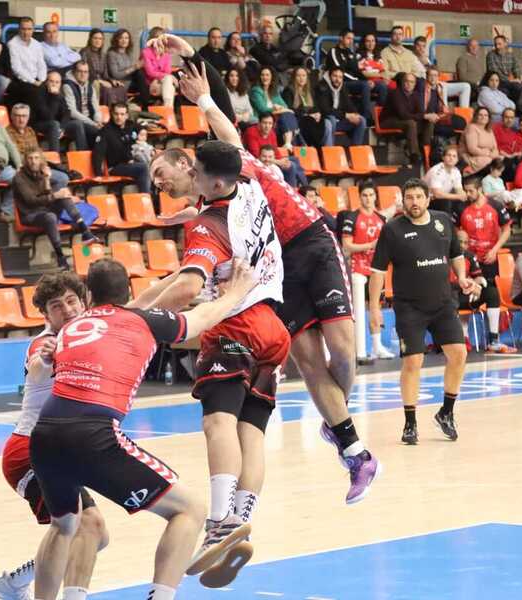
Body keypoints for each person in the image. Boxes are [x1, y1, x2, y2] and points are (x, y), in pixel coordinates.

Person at [149, 44, 379, 507]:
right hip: (277, 272)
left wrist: (190, 60)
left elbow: (224, 117)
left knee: (344, 352)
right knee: (309, 360)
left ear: (185, 164)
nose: (158, 184)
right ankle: (354, 449)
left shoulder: (224, 162)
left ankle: (336, 423)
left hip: (311, 241)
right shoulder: (207, 205)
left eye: (160, 173)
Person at [30, 258, 260, 600]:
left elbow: (146, 299)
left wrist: (179, 276)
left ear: (88, 296)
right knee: (190, 510)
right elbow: (200, 319)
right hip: (93, 434)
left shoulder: (74, 326)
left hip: (44, 437)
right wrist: (237, 291)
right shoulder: (143, 320)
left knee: (65, 526)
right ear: (127, 292)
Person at [146, 140, 288, 588]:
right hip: (274, 329)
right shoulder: (250, 186)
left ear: (208, 177)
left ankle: (220, 522)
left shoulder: (210, 225)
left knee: (217, 426)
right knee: (251, 436)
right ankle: (242, 518)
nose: (161, 182)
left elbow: (188, 286)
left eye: (195, 172)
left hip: (236, 323)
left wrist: (137, 319)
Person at [0, 271, 108, 600]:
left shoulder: (92, 337)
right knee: (83, 527)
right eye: (57, 305)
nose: (67, 309)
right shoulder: (46, 343)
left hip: (60, 454)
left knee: (94, 534)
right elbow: (38, 362)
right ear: (46, 315)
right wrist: (46, 358)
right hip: (28, 452)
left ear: (84, 303)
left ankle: (12, 582)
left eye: (72, 301)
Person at [369, 178, 474, 445]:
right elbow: (378, 272)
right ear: (403, 201)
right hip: (409, 307)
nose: (414, 202)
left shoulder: (442, 221)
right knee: (413, 361)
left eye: (418, 197)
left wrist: (462, 277)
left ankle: (446, 413)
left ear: (428, 199)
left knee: (459, 354)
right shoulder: (392, 230)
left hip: (442, 304)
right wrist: (374, 309)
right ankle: (410, 422)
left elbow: (456, 254)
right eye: (409, 197)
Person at [13, 149, 97, 269]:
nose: (33, 162)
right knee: (51, 215)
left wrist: (47, 179)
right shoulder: (19, 178)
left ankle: (84, 230)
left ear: (41, 160)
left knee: (60, 190)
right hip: (31, 214)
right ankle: (60, 256)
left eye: (36, 158)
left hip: (45, 209)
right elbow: (31, 201)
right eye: (30, 158)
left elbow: (47, 193)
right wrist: (55, 195)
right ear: (25, 161)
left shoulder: (42, 173)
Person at [456, 177, 514, 353]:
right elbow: (455, 233)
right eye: (465, 190)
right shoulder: (461, 208)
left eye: (471, 191)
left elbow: (507, 229)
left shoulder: (495, 205)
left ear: (480, 189)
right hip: (467, 261)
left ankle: (493, 339)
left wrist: (495, 249)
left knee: (491, 294)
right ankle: (464, 339)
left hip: (489, 259)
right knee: (464, 294)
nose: (467, 194)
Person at [341, 181, 394, 364]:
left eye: (371, 195)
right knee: (357, 310)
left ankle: (377, 347)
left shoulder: (381, 217)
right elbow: (347, 246)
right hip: (357, 270)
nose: (368, 198)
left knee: (375, 307)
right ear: (360, 196)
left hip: (376, 269)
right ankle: (357, 349)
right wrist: (369, 245)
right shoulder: (352, 217)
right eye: (365, 195)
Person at [452, 228, 504, 352]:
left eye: (466, 242)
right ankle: (459, 339)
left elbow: (479, 277)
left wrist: (476, 285)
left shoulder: (469, 256)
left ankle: (493, 340)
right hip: (450, 297)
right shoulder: (445, 255)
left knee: (492, 293)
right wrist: (467, 285)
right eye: (460, 242)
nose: (463, 245)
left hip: (468, 296)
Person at [324, 29, 387, 122]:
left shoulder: (350, 53)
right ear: (341, 38)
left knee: (381, 86)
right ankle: (366, 117)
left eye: (352, 39)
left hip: (354, 82)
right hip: (341, 83)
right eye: (348, 38)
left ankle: (381, 117)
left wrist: (367, 80)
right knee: (364, 85)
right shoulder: (334, 51)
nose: (351, 41)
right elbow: (339, 72)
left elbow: (356, 70)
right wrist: (360, 80)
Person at [91, 102, 149, 193]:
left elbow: (138, 126)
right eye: (116, 114)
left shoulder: (129, 125)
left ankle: (156, 195)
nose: (119, 117)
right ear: (112, 114)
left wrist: (142, 130)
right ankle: (147, 197)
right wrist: (98, 174)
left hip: (131, 163)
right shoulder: (105, 131)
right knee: (143, 167)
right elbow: (98, 153)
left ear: (126, 115)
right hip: (116, 167)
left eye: (122, 114)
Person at [382, 72, 434, 167]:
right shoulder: (395, 94)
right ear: (402, 82)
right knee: (411, 123)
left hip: (405, 121)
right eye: (407, 81)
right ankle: (415, 155)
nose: (409, 84)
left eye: (412, 82)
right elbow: (403, 115)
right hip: (389, 121)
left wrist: (427, 116)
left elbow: (420, 112)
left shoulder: (416, 95)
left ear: (415, 84)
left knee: (428, 122)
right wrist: (423, 116)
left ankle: (425, 149)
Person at [241, 113, 307, 188]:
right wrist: (279, 162)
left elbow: (275, 151)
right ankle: (292, 189)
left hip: (270, 159)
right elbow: (256, 155)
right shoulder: (251, 132)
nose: (267, 126)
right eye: (264, 123)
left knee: (294, 160)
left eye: (270, 123)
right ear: (259, 123)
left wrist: (282, 160)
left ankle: (304, 186)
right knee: (292, 166)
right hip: (257, 162)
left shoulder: (272, 133)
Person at [249, 65, 298, 153]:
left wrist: (281, 109)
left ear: (271, 77)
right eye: (262, 75)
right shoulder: (255, 91)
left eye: (267, 75)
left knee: (287, 116)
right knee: (287, 115)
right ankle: (289, 145)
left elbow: (285, 106)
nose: (265, 77)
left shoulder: (274, 92)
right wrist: (279, 109)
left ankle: (288, 144)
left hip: (276, 122)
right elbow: (263, 109)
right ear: (259, 77)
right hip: (263, 121)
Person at [6, 17, 49, 118]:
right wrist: (34, 82)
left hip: (37, 80)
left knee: (53, 91)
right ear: (19, 29)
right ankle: (43, 120)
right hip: (20, 81)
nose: (26, 32)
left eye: (29, 29)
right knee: (36, 92)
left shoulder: (37, 44)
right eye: (23, 29)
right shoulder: (12, 44)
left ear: (33, 30)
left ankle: (53, 123)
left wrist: (42, 80)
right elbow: (16, 69)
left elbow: (41, 64)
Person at [282, 66, 333, 148]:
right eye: (298, 76)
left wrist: (317, 114)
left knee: (328, 123)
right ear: (294, 77)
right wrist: (307, 114)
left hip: (311, 119)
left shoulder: (310, 91)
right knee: (308, 123)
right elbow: (289, 109)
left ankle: (326, 151)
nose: (301, 78)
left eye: (304, 75)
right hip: (298, 119)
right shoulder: (288, 91)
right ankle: (309, 151)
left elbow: (316, 106)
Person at [315, 66, 366, 146]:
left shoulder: (342, 87)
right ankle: (330, 151)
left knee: (361, 120)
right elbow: (325, 110)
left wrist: (355, 114)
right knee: (331, 119)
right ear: (329, 76)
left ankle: (354, 151)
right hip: (324, 122)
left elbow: (349, 104)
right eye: (335, 76)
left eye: (340, 77)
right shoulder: (322, 86)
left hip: (339, 121)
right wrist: (346, 115)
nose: (337, 79)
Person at [106, 29, 149, 110]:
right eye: (121, 38)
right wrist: (134, 68)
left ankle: (147, 104)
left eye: (126, 38)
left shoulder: (128, 54)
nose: (124, 40)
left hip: (132, 82)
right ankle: (145, 105)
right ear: (116, 39)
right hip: (121, 83)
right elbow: (116, 75)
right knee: (139, 73)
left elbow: (133, 71)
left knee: (142, 74)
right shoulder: (111, 54)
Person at [63, 61, 102, 149]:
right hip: (72, 121)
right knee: (94, 130)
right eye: (80, 71)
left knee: (104, 131)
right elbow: (72, 112)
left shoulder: (90, 87)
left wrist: (98, 120)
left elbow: (96, 108)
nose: (83, 74)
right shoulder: (67, 86)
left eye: (85, 72)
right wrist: (92, 123)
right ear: (74, 72)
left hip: (89, 120)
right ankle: (83, 155)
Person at [80, 28, 124, 107]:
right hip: (91, 81)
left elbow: (105, 74)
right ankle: (109, 112)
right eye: (95, 38)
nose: (98, 41)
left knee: (120, 88)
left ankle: (121, 112)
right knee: (106, 89)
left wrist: (112, 81)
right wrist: (100, 81)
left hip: (102, 80)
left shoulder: (103, 55)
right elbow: (83, 72)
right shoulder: (84, 52)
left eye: (100, 39)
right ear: (90, 39)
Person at [424, 145, 466, 216]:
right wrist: (458, 196)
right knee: (446, 202)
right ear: (443, 157)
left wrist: (464, 195)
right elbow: (437, 194)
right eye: (448, 155)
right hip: (428, 200)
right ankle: (447, 224)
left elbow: (459, 190)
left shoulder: (456, 171)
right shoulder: (437, 171)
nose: (451, 158)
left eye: (454, 156)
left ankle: (460, 224)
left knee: (463, 201)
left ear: (457, 160)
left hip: (442, 199)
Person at [141, 27, 176, 110]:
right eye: (156, 36)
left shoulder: (166, 53)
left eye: (160, 37)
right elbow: (150, 72)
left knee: (169, 83)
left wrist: (158, 79)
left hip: (161, 84)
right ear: (151, 38)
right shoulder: (145, 52)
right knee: (169, 82)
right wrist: (160, 78)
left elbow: (168, 71)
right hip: (150, 84)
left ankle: (167, 108)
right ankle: (168, 110)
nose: (158, 39)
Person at [460, 107, 500, 176]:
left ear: (488, 118)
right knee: (489, 162)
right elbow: (472, 149)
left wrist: (495, 154)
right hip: (470, 156)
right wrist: (488, 154)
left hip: (487, 156)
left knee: (501, 161)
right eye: (480, 115)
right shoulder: (471, 128)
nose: (483, 117)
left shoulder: (489, 130)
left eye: (485, 115)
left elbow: (495, 148)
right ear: (476, 116)